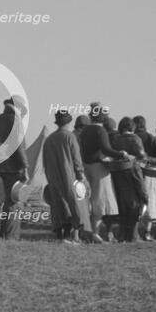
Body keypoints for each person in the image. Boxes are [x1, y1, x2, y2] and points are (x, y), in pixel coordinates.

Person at [79, 102, 127, 243]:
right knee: (99, 201)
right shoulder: (100, 131)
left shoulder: (85, 131)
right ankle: (95, 232)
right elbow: (106, 149)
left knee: (89, 200)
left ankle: (86, 231)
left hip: (86, 167)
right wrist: (121, 154)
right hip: (99, 169)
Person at [42, 110, 90, 244]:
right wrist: (81, 175)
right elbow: (76, 159)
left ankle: (60, 234)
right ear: (69, 122)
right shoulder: (70, 137)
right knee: (75, 205)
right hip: (70, 177)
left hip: (53, 177)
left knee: (59, 205)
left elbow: (44, 162)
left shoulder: (49, 139)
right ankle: (73, 236)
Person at [0, 95, 29, 241]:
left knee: (8, 201)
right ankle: (11, 235)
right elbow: (18, 146)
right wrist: (25, 167)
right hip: (14, 167)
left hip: (1, 166)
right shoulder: (16, 120)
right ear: (19, 108)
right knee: (15, 202)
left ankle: (4, 234)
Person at [110, 117, 149, 242]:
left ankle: (122, 235)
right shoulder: (135, 138)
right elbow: (141, 155)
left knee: (122, 205)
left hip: (118, 171)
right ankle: (133, 236)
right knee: (134, 206)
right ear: (132, 127)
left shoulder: (116, 139)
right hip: (133, 171)